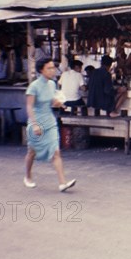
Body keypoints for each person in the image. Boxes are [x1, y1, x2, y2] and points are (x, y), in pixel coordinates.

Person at [24, 58, 76, 192]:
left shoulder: (52, 84)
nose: (53, 70)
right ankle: (28, 176)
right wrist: (35, 125)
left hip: (50, 121)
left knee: (56, 151)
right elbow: (29, 107)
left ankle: (62, 183)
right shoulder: (33, 86)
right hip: (36, 120)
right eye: (49, 68)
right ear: (41, 70)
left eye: (53, 67)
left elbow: (51, 100)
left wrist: (58, 103)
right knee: (32, 152)